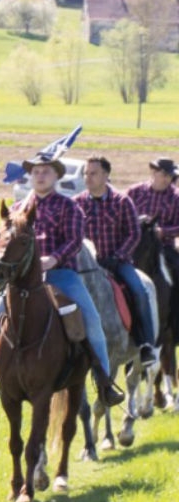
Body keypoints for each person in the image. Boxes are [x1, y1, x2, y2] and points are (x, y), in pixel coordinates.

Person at [0, 151, 125, 411]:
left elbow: (75, 241)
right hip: (22, 280)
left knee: (91, 320)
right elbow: (1, 241)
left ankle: (104, 383)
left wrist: (53, 260)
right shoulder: (15, 210)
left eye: (46, 171)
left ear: (56, 175)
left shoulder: (70, 206)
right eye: (36, 172)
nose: (40, 176)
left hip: (63, 274)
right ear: (31, 177)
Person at [76, 155, 158, 368]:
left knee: (139, 290)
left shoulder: (122, 201)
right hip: (86, 266)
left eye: (93, 173)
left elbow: (133, 234)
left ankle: (145, 344)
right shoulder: (77, 203)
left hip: (117, 262)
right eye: (86, 173)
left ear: (105, 175)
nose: (88, 177)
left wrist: (118, 257)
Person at [129, 157, 179, 284]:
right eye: (164, 175)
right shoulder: (135, 192)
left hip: (164, 247)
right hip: (134, 246)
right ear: (153, 172)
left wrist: (163, 232)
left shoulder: (176, 197)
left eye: (170, 176)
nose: (167, 179)